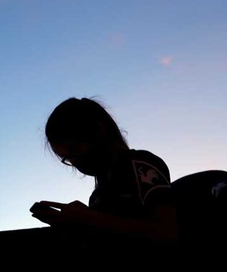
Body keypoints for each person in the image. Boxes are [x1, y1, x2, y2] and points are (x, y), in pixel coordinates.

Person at [30, 97, 179, 247]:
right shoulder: (97, 196)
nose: (75, 163)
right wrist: (72, 225)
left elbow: (166, 232)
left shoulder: (141, 165)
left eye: (74, 151)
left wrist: (89, 218)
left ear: (97, 130)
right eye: (67, 158)